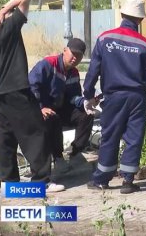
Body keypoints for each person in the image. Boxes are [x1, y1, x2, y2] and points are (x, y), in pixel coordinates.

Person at [0, 0, 64, 192]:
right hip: (18, 89)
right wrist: (5, 9)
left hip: (0, 94)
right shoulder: (11, 26)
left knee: (7, 137)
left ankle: (8, 182)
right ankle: (41, 181)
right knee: (37, 132)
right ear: (11, 13)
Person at [83, 0, 146, 194]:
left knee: (110, 136)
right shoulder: (145, 45)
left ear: (122, 14)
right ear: (140, 20)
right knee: (134, 138)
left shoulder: (104, 38)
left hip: (113, 96)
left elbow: (93, 70)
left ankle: (102, 179)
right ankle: (127, 181)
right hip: (136, 97)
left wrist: (88, 94)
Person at [28, 38, 96, 174]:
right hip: (40, 111)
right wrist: (40, 107)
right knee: (53, 118)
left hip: (61, 110)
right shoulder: (48, 64)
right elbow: (31, 86)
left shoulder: (74, 72)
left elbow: (73, 96)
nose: (74, 58)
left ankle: (76, 153)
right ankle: (58, 158)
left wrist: (85, 102)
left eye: (79, 56)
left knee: (86, 114)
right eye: (73, 54)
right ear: (65, 51)